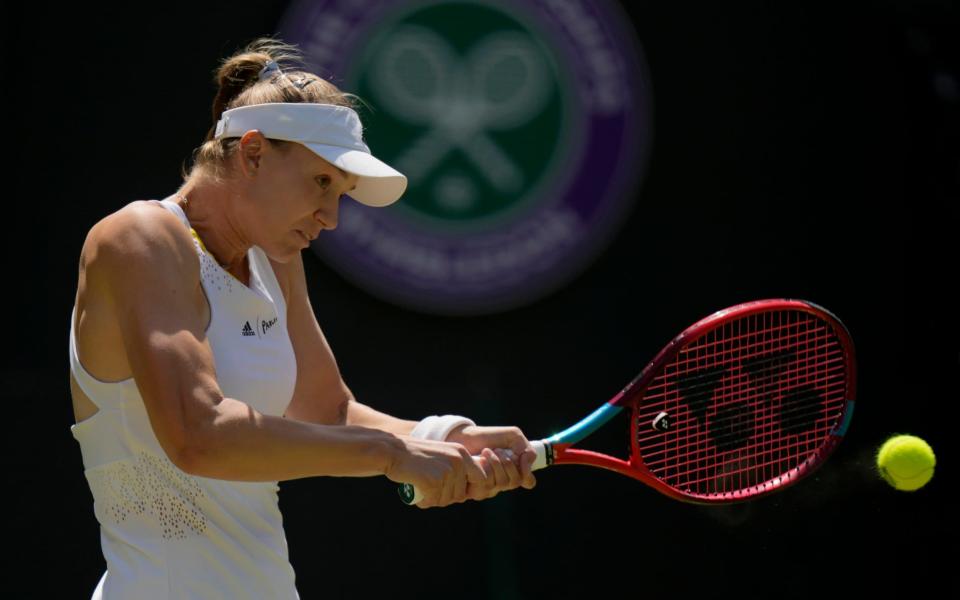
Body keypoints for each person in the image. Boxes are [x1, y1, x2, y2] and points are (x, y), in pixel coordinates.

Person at [68, 37, 537, 599]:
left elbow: (328, 412)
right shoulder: (140, 237)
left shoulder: (275, 258)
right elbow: (199, 436)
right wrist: (392, 455)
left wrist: (442, 439)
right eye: (321, 183)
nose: (332, 217)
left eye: (340, 193)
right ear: (253, 153)